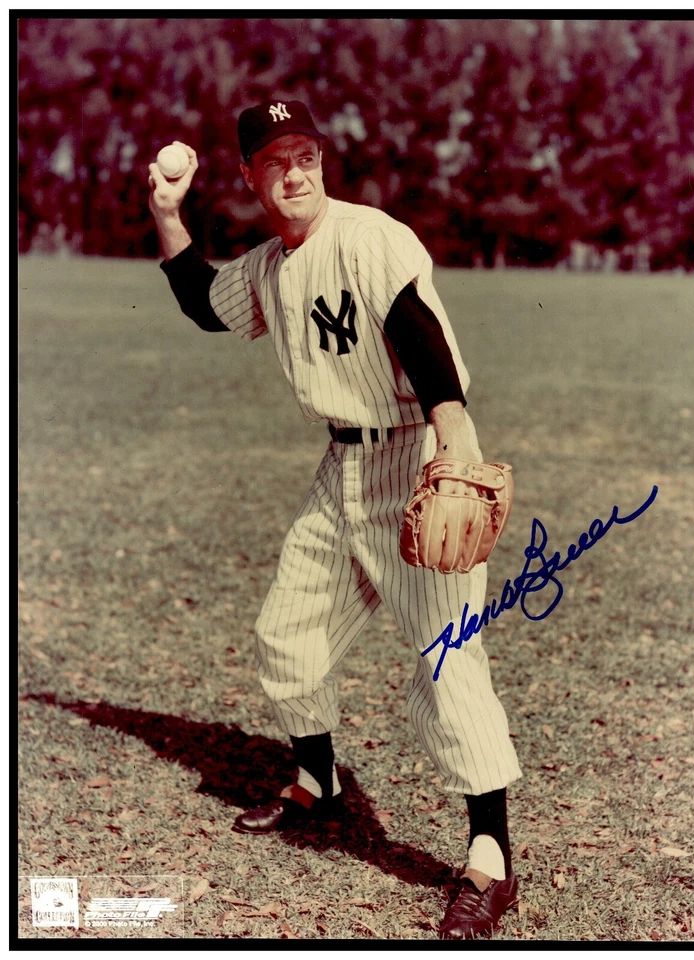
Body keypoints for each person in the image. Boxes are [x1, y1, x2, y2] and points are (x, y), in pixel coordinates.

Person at [148, 99, 522, 940]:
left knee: (448, 661)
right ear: (249, 177)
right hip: (341, 466)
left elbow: (414, 327)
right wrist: (167, 214)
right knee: (286, 633)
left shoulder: (367, 235)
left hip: (415, 453)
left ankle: (490, 859)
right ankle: (318, 782)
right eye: (276, 159)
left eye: (307, 153)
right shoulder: (271, 266)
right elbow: (206, 304)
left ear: (323, 161)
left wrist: (451, 436)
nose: (295, 170)